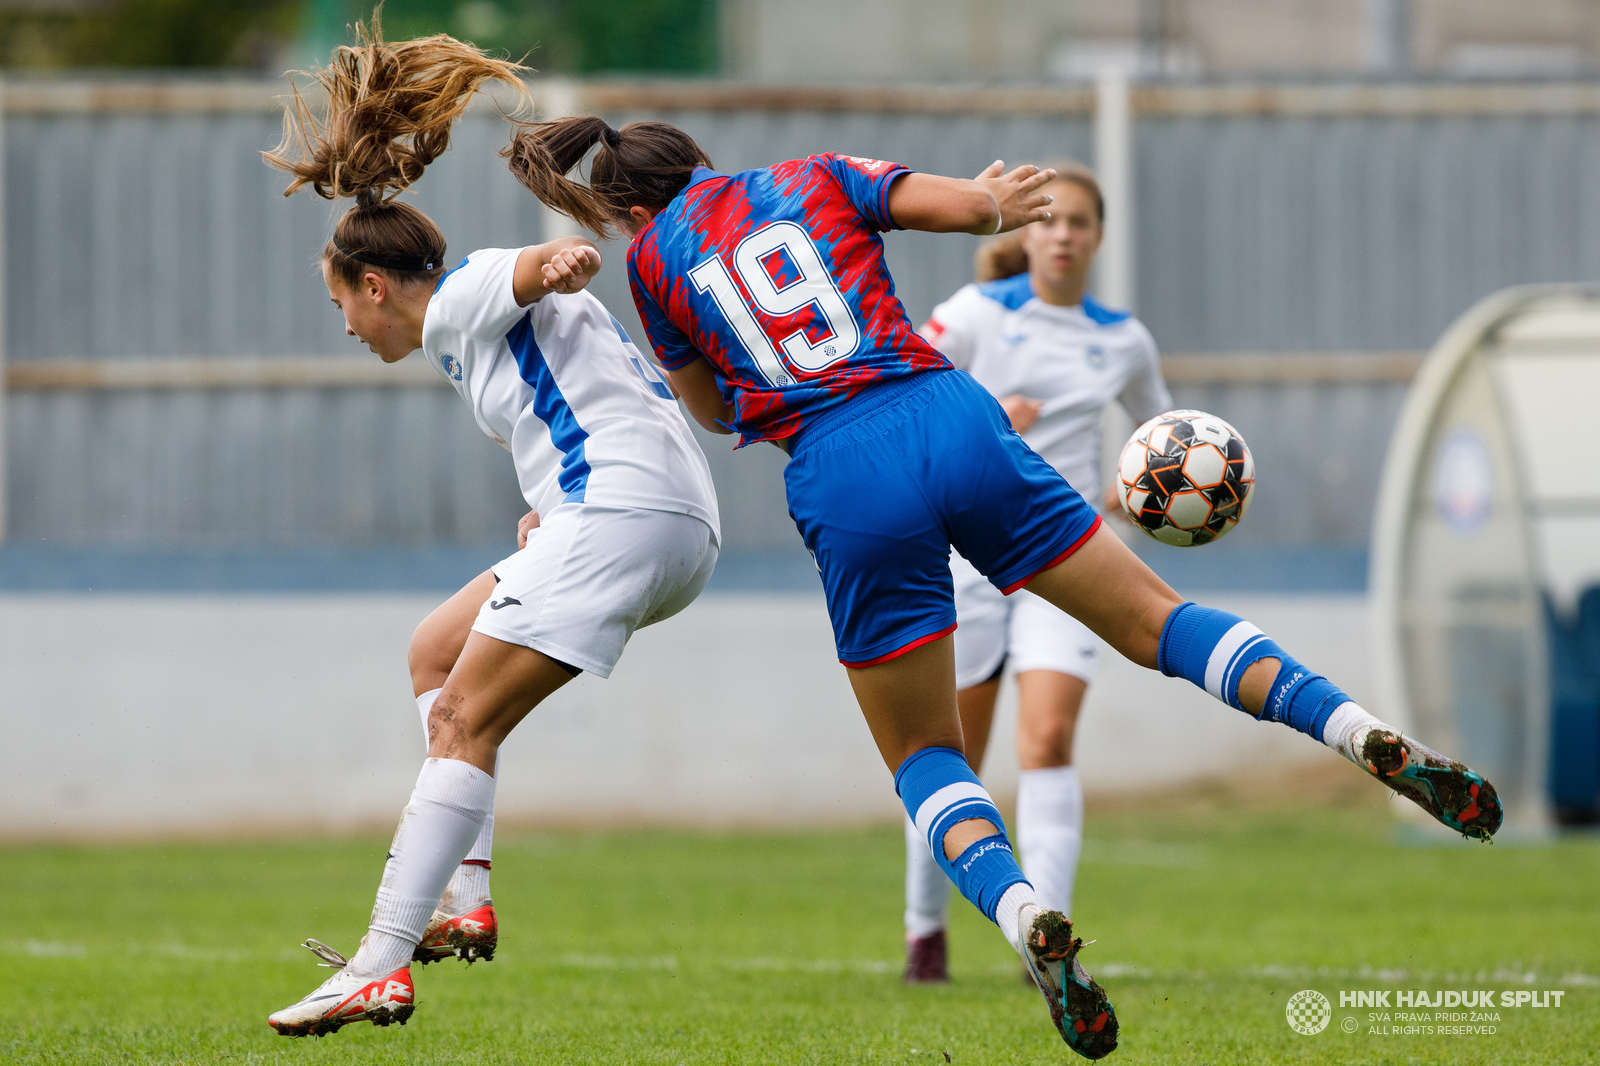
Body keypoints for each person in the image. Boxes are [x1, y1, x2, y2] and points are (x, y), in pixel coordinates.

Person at [503, 121, 1503, 1061]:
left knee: (927, 755)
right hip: (951, 415)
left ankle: (1025, 914)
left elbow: (715, 410)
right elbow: (974, 212)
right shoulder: (811, 174)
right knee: (1158, 622)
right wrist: (993, 200)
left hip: (842, 468)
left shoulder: (647, 260)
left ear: (632, 211)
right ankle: (1356, 730)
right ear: (708, 162)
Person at [259, 21, 720, 1037]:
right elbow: (590, 392)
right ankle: (465, 898)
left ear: (373, 286)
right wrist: (555, 501)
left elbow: (541, 267)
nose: (347, 327)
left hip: (626, 514)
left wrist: (556, 261)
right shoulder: (468, 334)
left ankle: (378, 963)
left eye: (343, 305)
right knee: (433, 652)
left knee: (465, 719)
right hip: (651, 517)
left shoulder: (462, 294)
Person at [901, 162, 1172, 984]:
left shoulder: (1122, 340)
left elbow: (1160, 446)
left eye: (1080, 223)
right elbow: (900, 380)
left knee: (1048, 736)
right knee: (955, 755)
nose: (1062, 235)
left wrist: (1164, 494)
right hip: (969, 561)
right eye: (1049, 221)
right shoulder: (980, 314)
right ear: (1027, 233)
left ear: (1096, 238)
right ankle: (925, 929)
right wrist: (986, 416)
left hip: (1066, 559)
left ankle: (1042, 940)